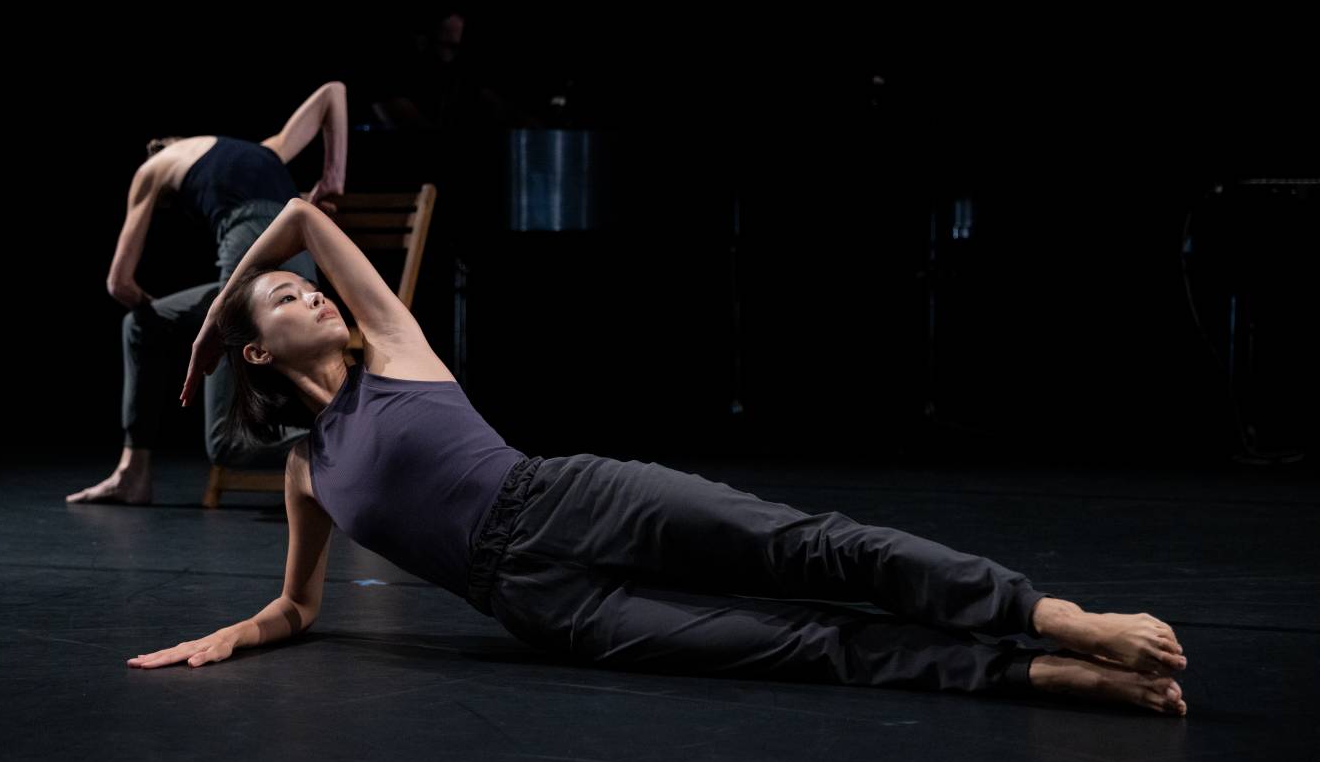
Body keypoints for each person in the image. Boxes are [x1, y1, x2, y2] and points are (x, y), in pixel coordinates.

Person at [126, 199, 1189, 716]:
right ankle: (1038, 674)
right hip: (542, 606)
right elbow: (301, 608)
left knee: (810, 550)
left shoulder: (395, 345)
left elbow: (305, 211)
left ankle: (1049, 615)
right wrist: (231, 634)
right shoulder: (310, 467)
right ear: (262, 351)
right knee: (800, 646)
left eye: (307, 282)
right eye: (284, 293)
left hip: (571, 501)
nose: (309, 285)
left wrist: (221, 307)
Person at [67, 82, 349, 505]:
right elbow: (333, 92)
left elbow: (118, 283)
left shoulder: (154, 169)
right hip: (302, 256)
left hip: (251, 244)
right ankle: (132, 473)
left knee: (226, 442)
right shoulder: (265, 149)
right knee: (139, 329)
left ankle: (352, 444)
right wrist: (332, 178)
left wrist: (162, 314)